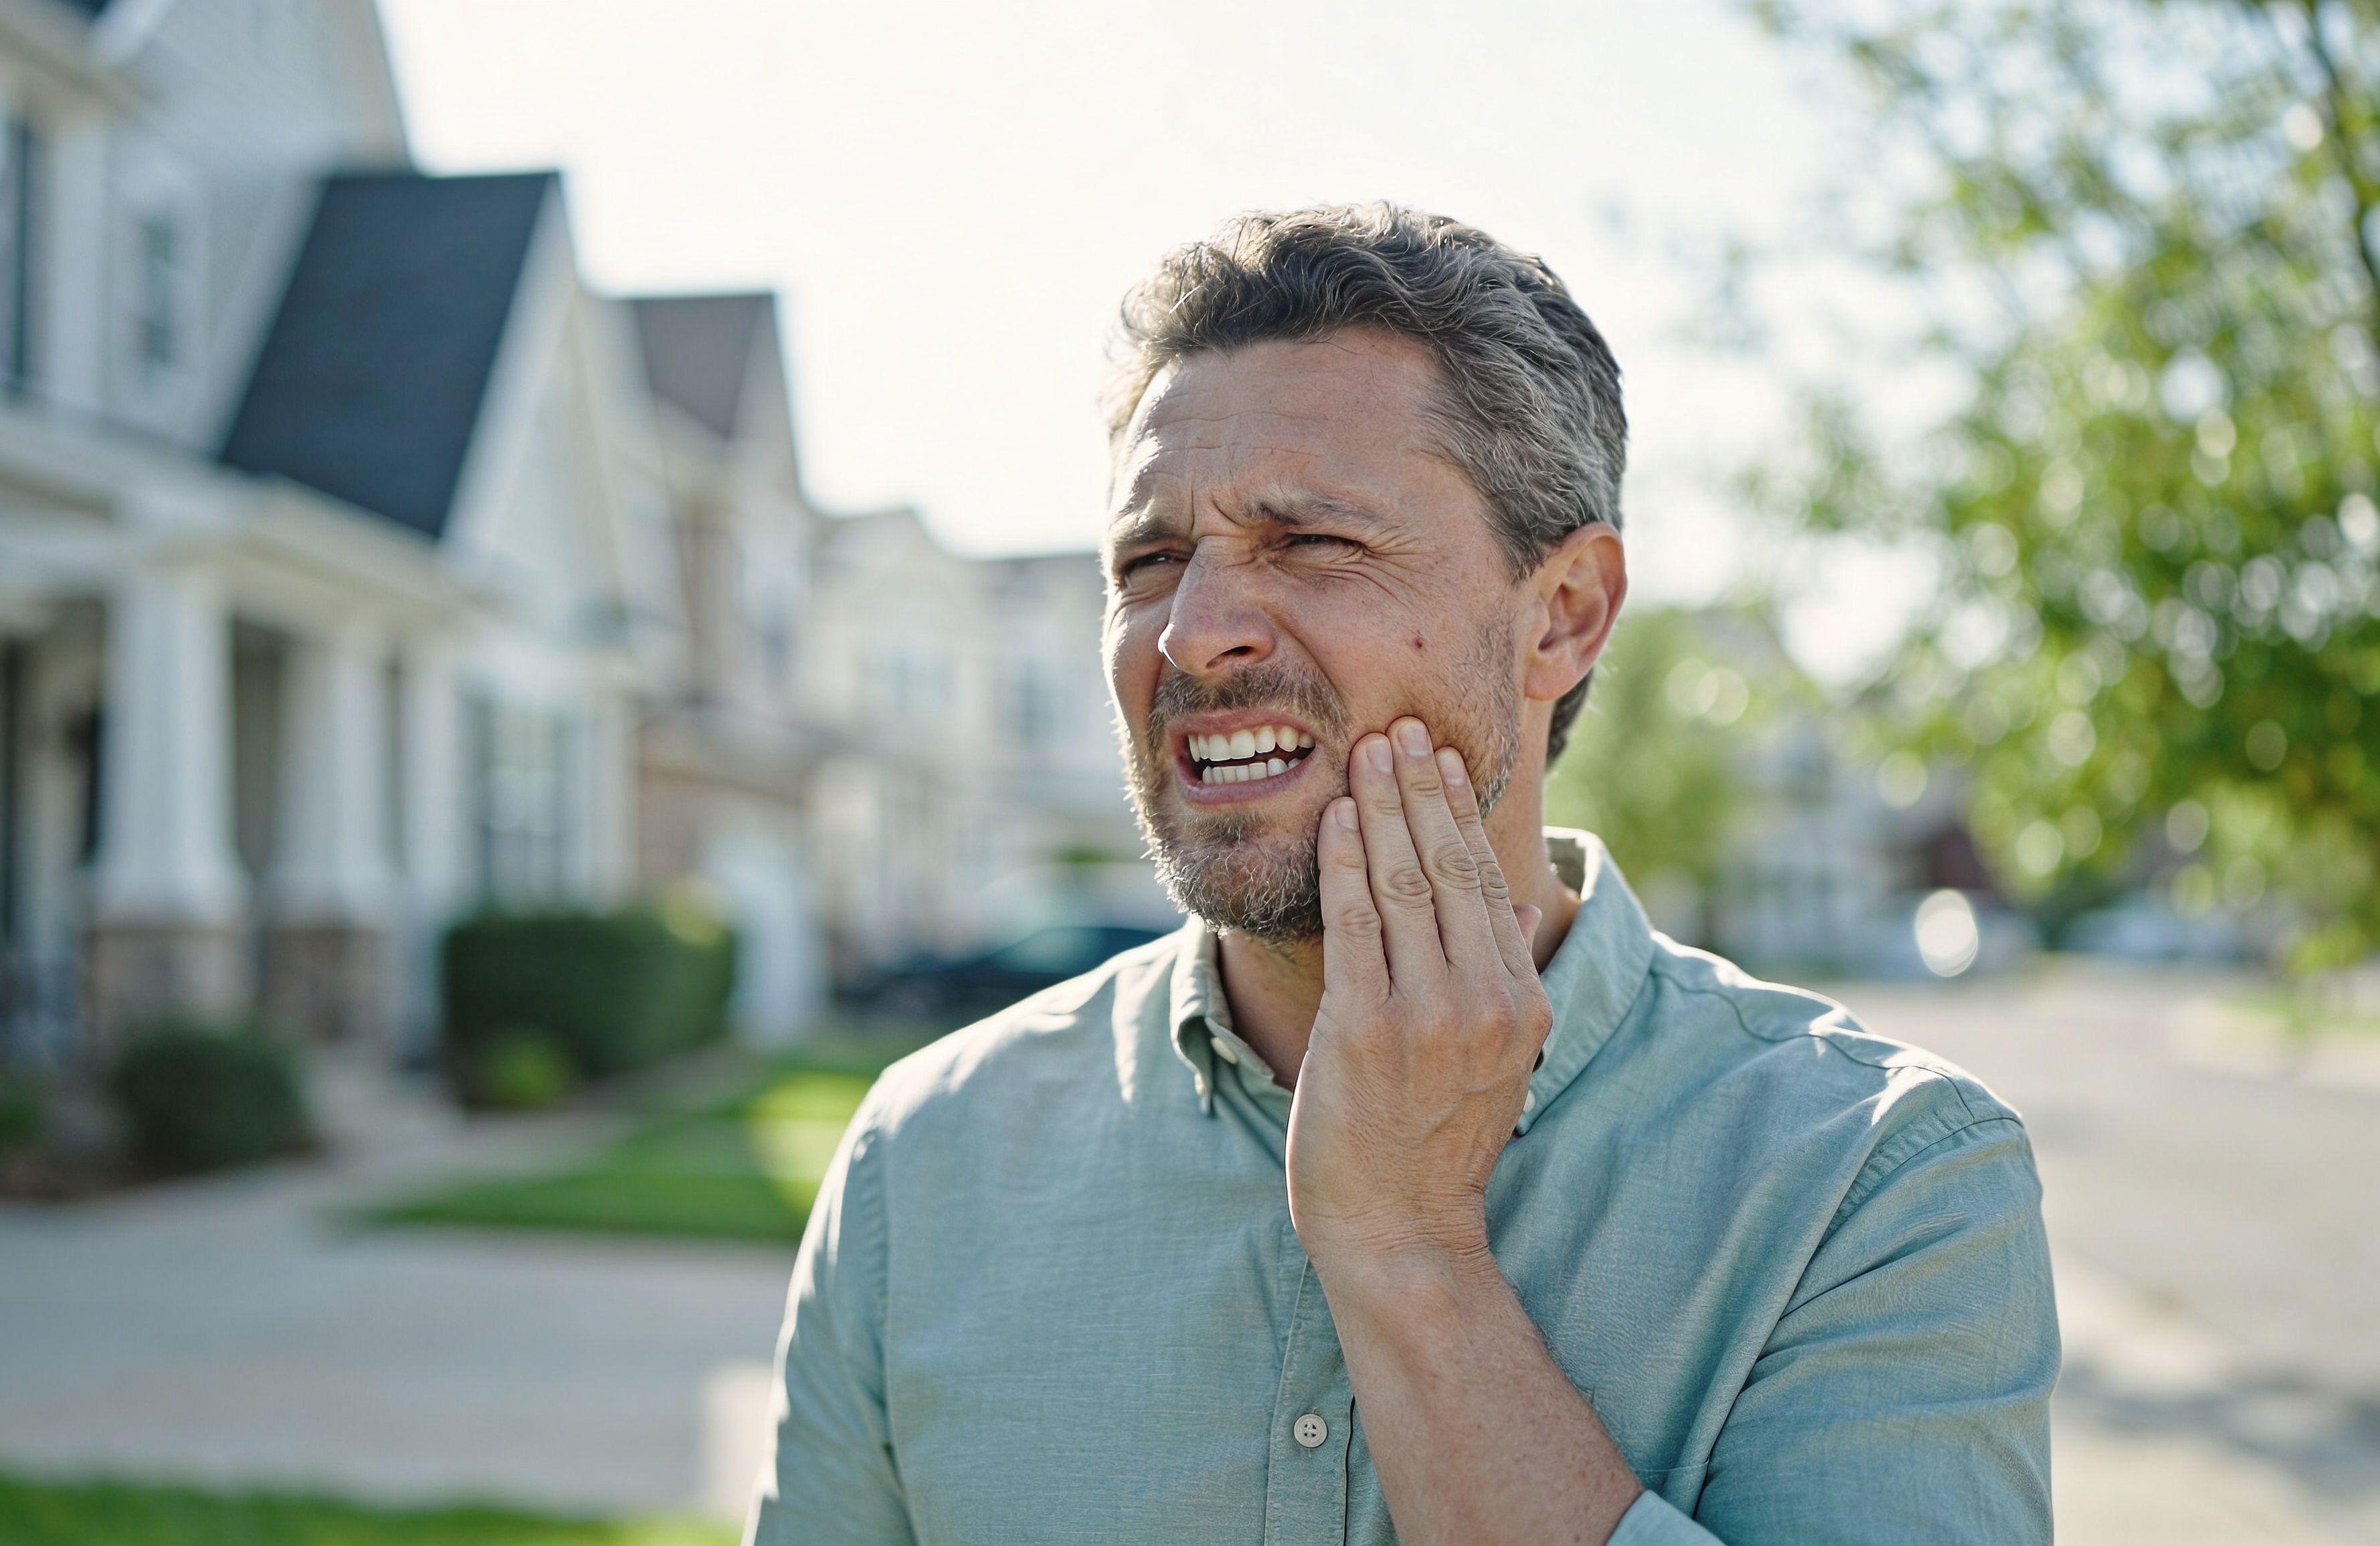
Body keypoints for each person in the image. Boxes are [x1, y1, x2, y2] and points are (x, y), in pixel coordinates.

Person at [747, 205, 2056, 1545]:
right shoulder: (926, 1164)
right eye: (1148, 563)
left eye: (1312, 541)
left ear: (1561, 615)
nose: (1193, 635)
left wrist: (1409, 1250)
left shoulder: (1875, 1182)